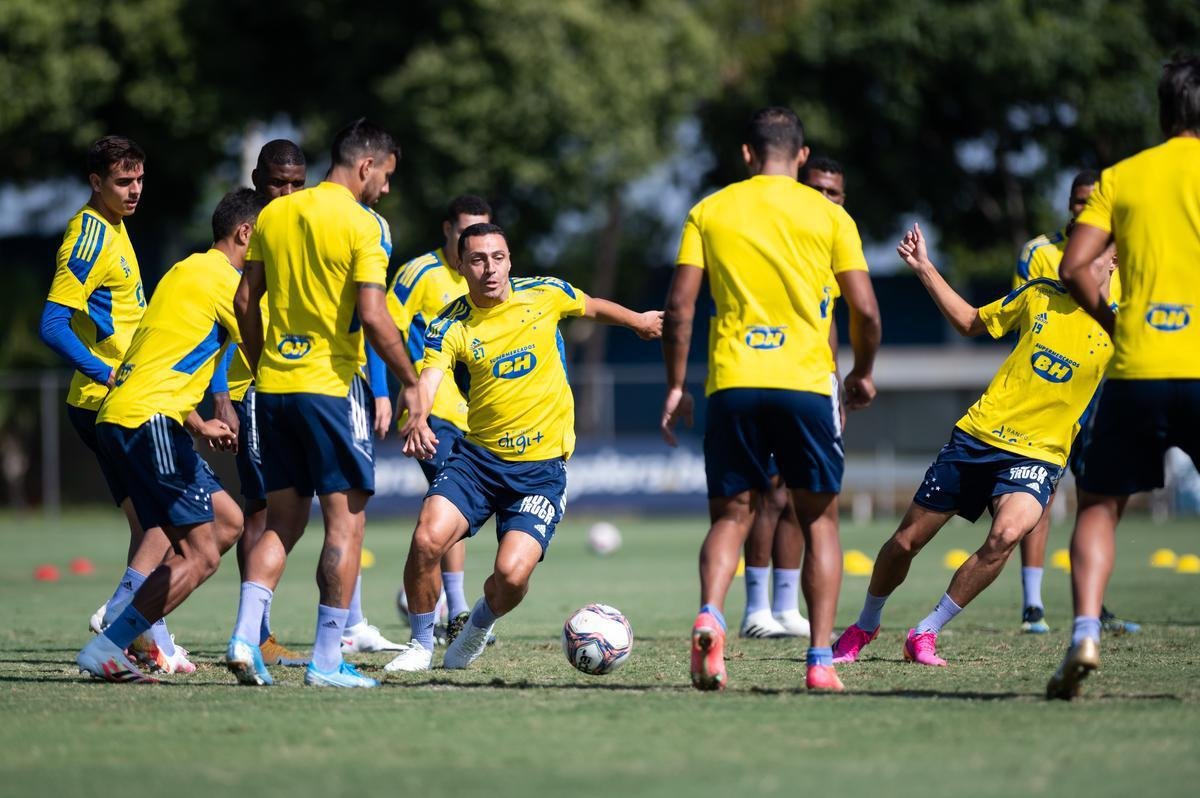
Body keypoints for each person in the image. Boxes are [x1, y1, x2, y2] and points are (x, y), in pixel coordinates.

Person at [661, 107, 882, 692]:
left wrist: (678, 384)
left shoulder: (710, 210)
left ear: (746, 154)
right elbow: (865, 310)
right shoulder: (830, 214)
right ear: (802, 156)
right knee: (820, 521)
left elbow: (680, 307)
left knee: (732, 516)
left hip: (733, 381)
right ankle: (818, 662)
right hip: (806, 382)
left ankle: (711, 613)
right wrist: (861, 372)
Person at [833, 223, 1116, 668]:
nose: (1071, 261)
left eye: (1088, 254)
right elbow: (968, 322)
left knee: (1006, 534)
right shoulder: (1039, 293)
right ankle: (865, 624)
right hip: (978, 437)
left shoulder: (1123, 324)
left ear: (1114, 261)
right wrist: (924, 266)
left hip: (1040, 454)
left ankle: (925, 632)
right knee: (906, 543)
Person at [383, 223, 662, 672]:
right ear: (461, 265)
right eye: (477, 259)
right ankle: (418, 645)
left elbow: (590, 306)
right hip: (477, 461)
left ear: (509, 260)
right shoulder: (450, 323)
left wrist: (639, 321)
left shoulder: (545, 293)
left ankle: (475, 628)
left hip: (540, 471)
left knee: (512, 576)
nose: (489, 269)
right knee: (426, 539)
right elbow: (430, 376)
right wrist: (418, 416)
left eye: (498, 257)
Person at [225, 118, 423, 689]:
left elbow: (244, 300)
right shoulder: (364, 225)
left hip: (274, 389)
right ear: (366, 166)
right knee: (345, 527)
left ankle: (244, 636)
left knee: (282, 522)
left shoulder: (275, 214)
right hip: (331, 390)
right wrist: (408, 379)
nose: (385, 188)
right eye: (385, 175)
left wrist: (265, 363)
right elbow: (373, 313)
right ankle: (328, 663)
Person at [1048, 54, 1200, 700]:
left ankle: (1085, 630)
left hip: (1138, 363)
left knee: (1101, 505)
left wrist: (1115, 321)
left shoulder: (1123, 176)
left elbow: (1075, 265)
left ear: (1164, 112)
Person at [75, 189, 263, 682]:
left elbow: (168, 355)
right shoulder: (228, 281)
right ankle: (113, 639)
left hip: (126, 415)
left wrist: (198, 422)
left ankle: (127, 622)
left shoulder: (185, 270)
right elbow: (269, 352)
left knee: (227, 521)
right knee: (200, 553)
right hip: (148, 419)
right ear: (246, 234)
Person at [39, 136, 192, 673]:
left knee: (151, 522)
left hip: (121, 400)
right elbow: (52, 324)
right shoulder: (87, 237)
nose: (134, 191)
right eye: (123, 182)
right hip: (103, 401)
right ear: (95, 182)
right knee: (166, 521)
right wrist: (109, 375)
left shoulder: (117, 226)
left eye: (139, 180)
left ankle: (147, 636)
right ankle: (125, 615)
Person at [1011, 171, 1138, 636]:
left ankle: (1093, 603)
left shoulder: (1128, 253)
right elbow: (1028, 316)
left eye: (1094, 201)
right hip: (1055, 389)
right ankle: (1033, 605)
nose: (1086, 208)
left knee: (1103, 494)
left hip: (1107, 389)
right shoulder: (1041, 252)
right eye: (1079, 201)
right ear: (1069, 204)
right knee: (1039, 492)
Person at [208, 140, 311, 668]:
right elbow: (224, 321)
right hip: (253, 394)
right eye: (277, 183)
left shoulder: (306, 229)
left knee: (285, 511)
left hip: (296, 389)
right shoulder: (249, 236)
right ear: (257, 179)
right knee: (260, 511)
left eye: (297, 183)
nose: (287, 193)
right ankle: (256, 633)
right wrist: (222, 394)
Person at [739, 154, 851, 640]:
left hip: (815, 381)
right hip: (770, 375)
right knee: (769, 493)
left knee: (802, 498)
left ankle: (786, 607)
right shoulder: (780, 239)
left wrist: (837, 381)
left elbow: (829, 324)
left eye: (835, 193)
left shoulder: (833, 244)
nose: (826, 199)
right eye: (818, 189)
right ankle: (754, 608)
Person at [386, 195, 492, 643]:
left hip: (475, 417)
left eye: (482, 231)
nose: (474, 241)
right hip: (433, 413)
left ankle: (453, 609)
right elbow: (383, 328)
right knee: (451, 497)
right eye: (466, 231)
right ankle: (452, 613)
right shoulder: (418, 273)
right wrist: (389, 394)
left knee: (455, 504)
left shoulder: (486, 278)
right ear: (447, 228)